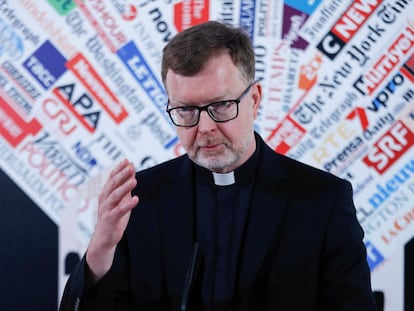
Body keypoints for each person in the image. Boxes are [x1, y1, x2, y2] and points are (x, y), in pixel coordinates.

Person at [59, 21, 378, 310]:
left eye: (222, 105)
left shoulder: (322, 200)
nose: (206, 127)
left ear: (254, 99)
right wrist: (97, 257)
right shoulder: (139, 200)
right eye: (185, 111)